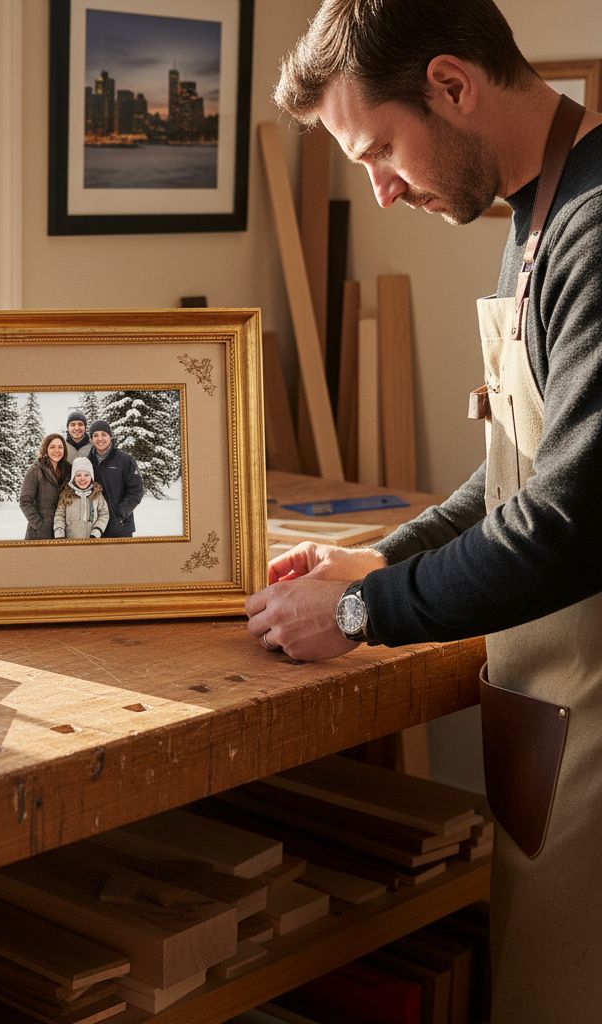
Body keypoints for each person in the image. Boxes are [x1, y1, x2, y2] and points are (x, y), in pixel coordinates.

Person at [248, 2, 602, 1019]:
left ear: (451, 85)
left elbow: (572, 518)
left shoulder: (594, 226)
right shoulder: (536, 208)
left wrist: (364, 612)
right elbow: (513, 477)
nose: (382, 188)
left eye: (381, 150)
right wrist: (375, 560)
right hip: (558, 719)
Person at [87, 419, 144, 538]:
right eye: (95, 435)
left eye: (104, 434)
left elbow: (136, 490)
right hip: (95, 527)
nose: (100, 438)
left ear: (110, 436)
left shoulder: (125, 459)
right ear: (91, 439)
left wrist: (120, 513)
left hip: (120, 527)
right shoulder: (87, 461)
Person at [18, 433, 70, 540]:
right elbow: (24, 501)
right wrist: (39, 524)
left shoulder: (68, 470)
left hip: (62, 531)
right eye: (52, 447)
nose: (57, 450)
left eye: (60, 447)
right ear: (45, 449)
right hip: (40, 533)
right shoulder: (36, 471)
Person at [54, 456, 110, 539]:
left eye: (87, 475)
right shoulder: (66, 494)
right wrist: (59, 532)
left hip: (91, 541)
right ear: (73, 477)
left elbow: (104, 514)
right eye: (78, 475)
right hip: (70, 541)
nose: (82, 478)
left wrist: (97, 531)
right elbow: (59, 515)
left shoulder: (97, 494)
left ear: (91, 477)